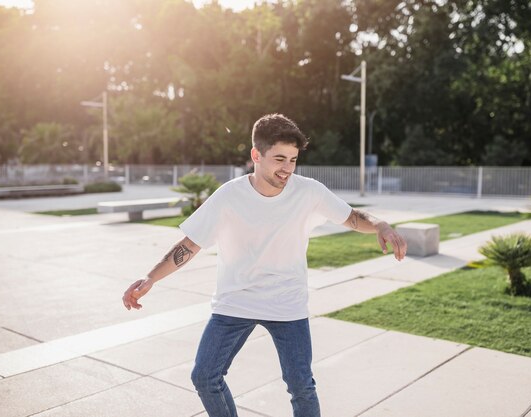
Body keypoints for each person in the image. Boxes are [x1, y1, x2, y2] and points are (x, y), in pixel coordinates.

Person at [122, 114, 407, 417]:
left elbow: (351, 217)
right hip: (236, 302)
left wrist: (381, 226)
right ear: (256, 155)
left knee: (301, 386)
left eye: (293, 160)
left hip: (287, 304)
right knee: (205, 377)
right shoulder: (229, 196)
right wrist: (151, 278)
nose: (287, 169)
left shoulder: (308, 191)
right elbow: (189, 245)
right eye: (280, 159)